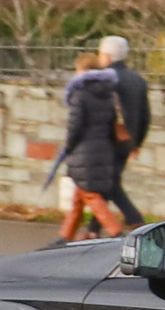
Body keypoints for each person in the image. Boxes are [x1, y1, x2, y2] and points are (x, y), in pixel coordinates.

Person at [56, 53, 126, 242]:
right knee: (79, 195)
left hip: (83, 151)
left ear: (83, 70)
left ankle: (117, 233)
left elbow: (74, 125)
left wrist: (68, 145)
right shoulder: (108, 94)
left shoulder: (79, 93)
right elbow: (112, 122)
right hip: (103, 149)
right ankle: (65, 236)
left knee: (90, 195)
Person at [96, 34, 152, 229]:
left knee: (107, 182)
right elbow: (146, 115)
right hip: (127, 140)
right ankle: (94, 229)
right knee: (109, 181)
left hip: (107, 140)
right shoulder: (137, 79)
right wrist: (137, 142)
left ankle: (134, 218)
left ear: (107, 56)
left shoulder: (103, 78)